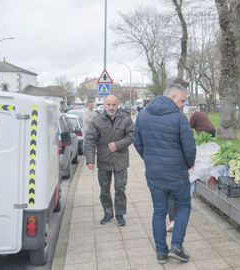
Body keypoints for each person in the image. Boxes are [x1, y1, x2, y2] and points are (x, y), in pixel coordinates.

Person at [133, 84, 196, 264]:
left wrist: (150, 159)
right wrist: (189, 164)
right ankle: (176, 246)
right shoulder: (179, 118)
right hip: (177, 174)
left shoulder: (143, 114)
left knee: (159, 211)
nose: (183, 104)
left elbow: (137, 142)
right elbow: (189, 147)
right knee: (184, 206)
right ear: (173, 97)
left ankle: (161, 253)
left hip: (154, 173)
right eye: (182, 100)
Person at [84, 95, 134, 226]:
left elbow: (131, 136)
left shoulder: (126, 120)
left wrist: (118, 145)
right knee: (104, 190)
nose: (111, 107)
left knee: (120, 188)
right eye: (109, 105)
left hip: (121, 161)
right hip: (104, 160)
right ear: (104, 105)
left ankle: (120, 214)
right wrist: (90, 159)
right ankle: (108, 213)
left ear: (118, 105)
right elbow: (89, 141)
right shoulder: (96, 121)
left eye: (114, 105)